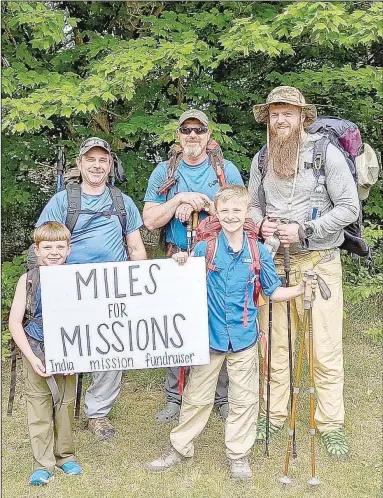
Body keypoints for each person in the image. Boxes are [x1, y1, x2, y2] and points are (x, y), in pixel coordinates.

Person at [146, 185, 313, 479]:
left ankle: (238, 455)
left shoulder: (257, 250)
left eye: (237, 211)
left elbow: (272, 292)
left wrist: (300, 289)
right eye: (225, 211)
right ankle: (179, 448)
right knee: (196, 397)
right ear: (217, 214)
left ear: (247, 213)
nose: (231, 216)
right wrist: (179, 261)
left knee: (245, 399)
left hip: (245, 339)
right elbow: (180, 285)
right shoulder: (204, 248)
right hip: (209, 339)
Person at [249, 86, 360, 459]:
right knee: (276, 347)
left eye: (288, 113)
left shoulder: (325, 154)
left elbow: (348, 208)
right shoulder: (261, 159)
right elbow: (250, 209)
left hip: (318, 264)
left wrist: (305, 230)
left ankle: (330, 425)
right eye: (274, 114)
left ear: (302, 118)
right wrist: (262, 225)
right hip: (276, 266)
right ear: (268, 120)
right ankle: (274, 413)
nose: (280, 120)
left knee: (323, 349)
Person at [36, 137, 147, 441]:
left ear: (110, 165)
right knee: (68, 346)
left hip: (113, 289)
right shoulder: (63, 201)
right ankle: (59, 404)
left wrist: (141, 287)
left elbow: (135, 248)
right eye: (91, 160)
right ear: (80, 163)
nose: (97, 166)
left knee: (111, 350)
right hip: (71, 289)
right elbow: (43, 244)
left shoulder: (122, 202)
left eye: (103, 160)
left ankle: (97, 413)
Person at [143, 109, 244, 423]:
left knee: (219, 323)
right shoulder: (164, 171)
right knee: (176, 325)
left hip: (218, 258)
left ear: (208, 135)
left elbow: (241, 217)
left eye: (198, 130)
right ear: (178, 135)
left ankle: (222, 397)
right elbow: (149, 219)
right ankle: (175, 397)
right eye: (186, 130)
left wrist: (202, 202)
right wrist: (179, 199)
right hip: (177, 257)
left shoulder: (225, 171)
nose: (192, 136)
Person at [8, 222, 83, 486]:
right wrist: (31, 356)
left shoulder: (78, 279)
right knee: (39, 408)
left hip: (69, 350)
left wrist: (78, 356)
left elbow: (87, 320)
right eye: (47, 247)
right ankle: (43, 463)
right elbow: (15, 322)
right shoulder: (27, 280)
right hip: (37, 349)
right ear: (37, 251)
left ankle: (66, 456)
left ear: (69, 249)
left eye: (59, 247)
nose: (54, 252)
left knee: (64, 405)